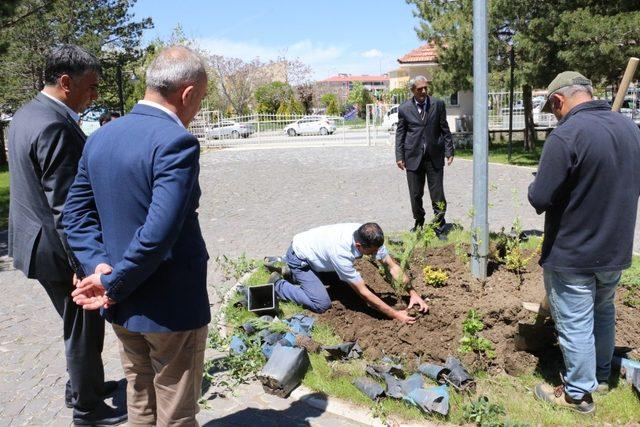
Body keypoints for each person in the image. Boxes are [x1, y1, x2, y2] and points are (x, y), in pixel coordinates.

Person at [63, 46, 210, 425]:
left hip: (121, 306)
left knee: (140, 397)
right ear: (188, 93)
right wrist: (113, 281)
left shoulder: (100, 137)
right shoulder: (176, 142)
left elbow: (75, 216)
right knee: (176, 409)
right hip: (169, 304)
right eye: (200, 99)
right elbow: (158, 232)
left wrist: (100, 267)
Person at [7, 44, 126, 425]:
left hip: (32, 241)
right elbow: (65, 206)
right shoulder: (54, 124)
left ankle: (82, 387)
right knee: (83, 326)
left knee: (75, 322)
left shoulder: (25, 116)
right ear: (64, 82)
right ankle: (87, 410)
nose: (94, 96)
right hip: (57, 250)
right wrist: (83, 263)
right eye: (90, 87)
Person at [528, 71, 640, 413]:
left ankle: (577, 394)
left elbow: (539, 197)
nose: (555, 116)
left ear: (559, 100)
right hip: (615, 249)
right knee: (603, 311)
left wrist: (540, 181)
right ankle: (601, 376)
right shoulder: (631, 130)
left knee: (576, 323)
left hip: (574, 252)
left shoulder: (567, 136)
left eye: (552, 109)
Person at [268, 223, 429, 324]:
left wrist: (412, 293)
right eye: (372, 252)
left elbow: (392, 266)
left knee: (342, 284)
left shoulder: (367, 234)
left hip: (319, 257)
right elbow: (364, 294)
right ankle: (279, 285)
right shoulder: (341, 253)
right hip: (301, 259)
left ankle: (295, 275)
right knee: (321, 304)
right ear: (359, 246)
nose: (375, 254)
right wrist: (395, 314)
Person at [395, 76, 454, 236]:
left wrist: (449, 150)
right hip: (413, 157)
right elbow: (400, 133)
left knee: (438, 194)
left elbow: (445, 128)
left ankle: (440, 225)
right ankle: (419, 221)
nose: (423, 91)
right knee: (415, 194)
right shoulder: (404, 108)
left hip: (434, 156)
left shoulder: (438, 104)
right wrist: (399, 156)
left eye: (425, 88)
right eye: (419, 89)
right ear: (413, 90)